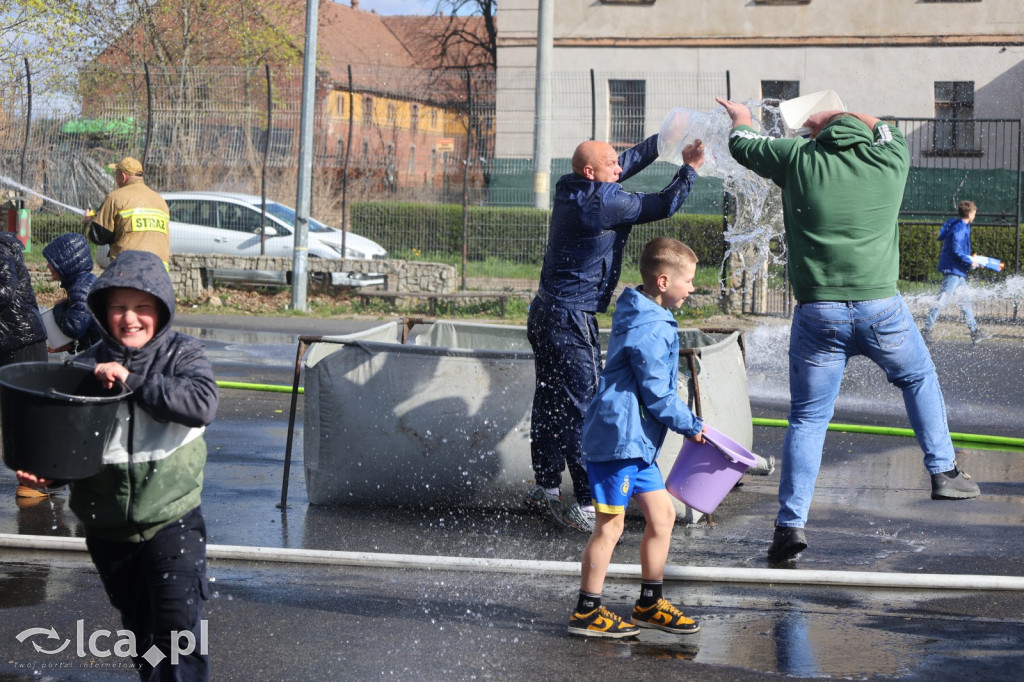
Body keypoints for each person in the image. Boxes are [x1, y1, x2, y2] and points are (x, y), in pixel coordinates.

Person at [716, 97, 981, 566]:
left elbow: (741, 142)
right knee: (917, 378)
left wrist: (740, 114)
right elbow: (883, 124)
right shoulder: (891, 155)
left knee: (809, 420)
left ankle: (790, 526)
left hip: (819, 314)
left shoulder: (796, 158)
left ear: (812, 130)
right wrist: (835, 111)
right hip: (883, 309)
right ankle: (943, 471)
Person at [16, 249, 219, 680]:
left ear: (161, 311)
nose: (131, 319)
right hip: (108, 531)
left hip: (172, 522)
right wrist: (47, 472)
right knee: (143, 639)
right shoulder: (83, 367)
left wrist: (133, 381)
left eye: (143, 307)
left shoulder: (183, 356)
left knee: (178, 635)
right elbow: (75, 450)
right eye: (120, 308)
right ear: (103, 312)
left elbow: (202, 404)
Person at [525, 133, 706, 533]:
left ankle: (547, 486)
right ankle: (590, 502)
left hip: (544, 312)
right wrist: (689, 169)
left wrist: (663, 140)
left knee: (551, 398)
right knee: (586, 406)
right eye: (611, 165)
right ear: (592, 173)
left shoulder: (569, 185)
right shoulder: (604, 203)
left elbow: (622, 160)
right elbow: (663, 203)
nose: (620, 168)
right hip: (571, 318)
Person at [568, 237, 706, 638]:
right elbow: (658, 395)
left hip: (636, 442)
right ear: (663, 281)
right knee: (609, 527)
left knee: (662, 516)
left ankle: (648, 603)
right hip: (618, 441)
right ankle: (587, 611)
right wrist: (693, 426)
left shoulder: (646, 312)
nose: (693, 288)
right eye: (689, 281)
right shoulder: (650, 327)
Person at [0, 233, 51, 502]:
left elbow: (4, 291)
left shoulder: (0, 251)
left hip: (19, 340)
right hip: (17, 339)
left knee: (25, 415)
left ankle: (38, 481)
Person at [921, 200, 989, 344]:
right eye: (974, 214)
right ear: (970, 213)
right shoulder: (959, 228)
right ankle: (926, 331)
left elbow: (960, 250)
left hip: (957, 271)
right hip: (953, 271)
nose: (975, 216)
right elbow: (957, 250)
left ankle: (975, 332)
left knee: (965, 302)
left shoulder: (960, 226)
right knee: (941, 301)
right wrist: (971, 261)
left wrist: (973, 260)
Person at [85, 157, 171, 266]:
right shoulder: (160, 201)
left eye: (116, 174)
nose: (115, 177)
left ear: (123, 176)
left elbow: (99, 236)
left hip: (129, 268)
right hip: (160, 271)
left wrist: (89, 222)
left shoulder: (115, 198)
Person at [41, 232, 102, 354]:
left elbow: (74, 328)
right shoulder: (82, 283)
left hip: (99, 355)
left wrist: (58, 308)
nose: (48, 266)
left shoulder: (81, 288)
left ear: (66, 263)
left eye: (52, 263)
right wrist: (72, 346)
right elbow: (87, 328)